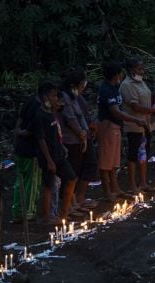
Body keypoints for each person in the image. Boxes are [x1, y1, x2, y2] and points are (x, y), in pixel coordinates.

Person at [96, 61, 147, 202]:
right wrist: (134, 120)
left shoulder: (114, 87)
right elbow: (116, 111)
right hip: (108, 127)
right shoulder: (106, 90)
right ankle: (107, 191)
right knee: (106, 162)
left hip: (116, 127)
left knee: (113, 161)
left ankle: (116, 188)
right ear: (116, 74)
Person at [30, 81, 77, 224]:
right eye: (54, 96)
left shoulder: (51, 114)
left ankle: (64, 212)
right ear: (45, 98)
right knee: (48, 185)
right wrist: (49, 160)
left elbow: (55, 133)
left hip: (59, 154)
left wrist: (61, 147)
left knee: (71, 178)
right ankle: (46, 216)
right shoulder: (39, 116)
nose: (56, 98)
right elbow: (41, 139)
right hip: (48, 156)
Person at [59, 68, 99, 216]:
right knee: (71, 172)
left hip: (80, 137)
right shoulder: (64, 97)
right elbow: (70, 118)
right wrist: (81, 133)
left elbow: (80, 116)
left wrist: (85, 132)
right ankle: (68, 204)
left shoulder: (75, 97)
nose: (84, 87)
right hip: (71, 139)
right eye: (82, 84)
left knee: (78, 170)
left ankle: (74, 201)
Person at [119, 56, 155, 193]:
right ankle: (132, 184)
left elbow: (147, 99)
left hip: (146, 125)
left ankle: (143, 182)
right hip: (134, 125)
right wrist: (153, 110)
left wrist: (152, 113)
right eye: (139, 69)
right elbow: (135, 106)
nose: (143, 71)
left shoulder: (141, 82)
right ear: (131, 70)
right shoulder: (127, 85)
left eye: (143, 68)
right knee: (133, 154)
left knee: (144, 153)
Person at [11, 95, 42, 223]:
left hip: (20, 148)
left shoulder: (29, 101)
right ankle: (28, 212)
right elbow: (33, 130)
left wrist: (15, 139)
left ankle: (17, 211)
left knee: (20, 181)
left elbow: (19, 121)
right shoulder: (39, 109)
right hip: (31, 151)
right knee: (32, 182)